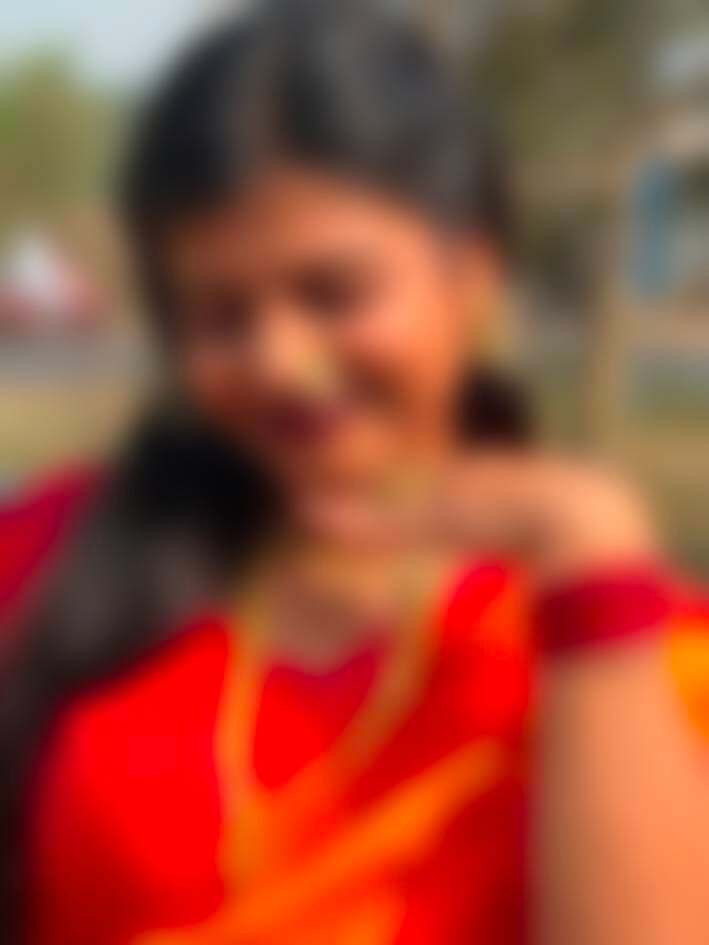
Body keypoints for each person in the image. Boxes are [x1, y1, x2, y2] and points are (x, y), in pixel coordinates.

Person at [2, 2, 709, 943]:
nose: (279, 362)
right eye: (221, 316)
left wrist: (588, 551)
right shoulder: (51, 559)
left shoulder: (622, 626)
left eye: (331, 293)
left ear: (472, 269)